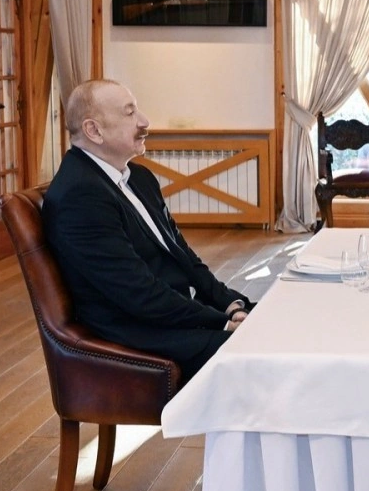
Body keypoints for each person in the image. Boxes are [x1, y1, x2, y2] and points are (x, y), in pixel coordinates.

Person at [43, 79, 254, 380]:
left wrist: (230, 303)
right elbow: (139, 294)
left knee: (281, 321)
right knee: (263, 351)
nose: (144, 121)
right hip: (139, 335)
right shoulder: (80, 195)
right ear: (94, 131)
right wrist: (220, 322)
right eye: (129, 113)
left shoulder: (138, 177)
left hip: (171, 315)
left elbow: (183, 255)